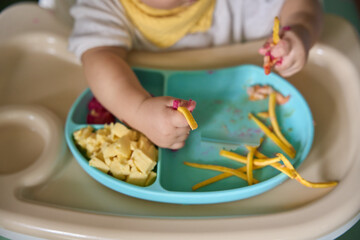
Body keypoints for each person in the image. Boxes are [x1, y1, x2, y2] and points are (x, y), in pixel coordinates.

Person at [68, 0, 322, 149]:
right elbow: (99, 57)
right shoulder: (104, 6)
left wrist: (298, 33)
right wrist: (138, 110)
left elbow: (301, 4)